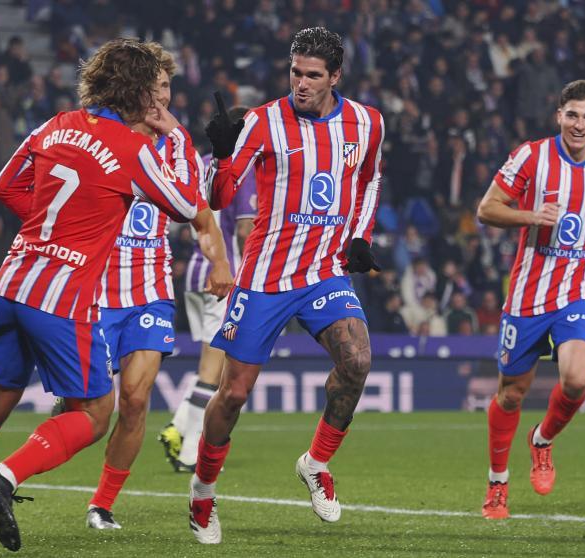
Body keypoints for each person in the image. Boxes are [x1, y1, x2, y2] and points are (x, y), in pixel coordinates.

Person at [0, 38, 201, 553]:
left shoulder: (54, 124)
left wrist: (51, 229)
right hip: (62, 297)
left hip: (13, 280)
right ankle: (5, 477)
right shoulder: (133, 148)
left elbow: (5, 186)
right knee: (96, 412)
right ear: (138, 93)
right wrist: (175, 134)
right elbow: (185, 205)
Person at [188, 27, 384, 544]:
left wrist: (360, 234)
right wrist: (224, 154)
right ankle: (203, 492)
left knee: (358, 361)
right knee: (232, 393)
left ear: (335, 76)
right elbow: (220, 196)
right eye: (295, 71)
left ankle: (315, 462)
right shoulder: (263, 121)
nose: (300, 82)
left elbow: (369, 179)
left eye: (312, 75)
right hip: (266, 277)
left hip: (323, 270)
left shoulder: (367, 122)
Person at [80, 44, 232, 530]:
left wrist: (219, 262)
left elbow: (197, 210)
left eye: (166, 86)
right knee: (88, 407)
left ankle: (102, 504)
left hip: (149, 290)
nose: (160, 96)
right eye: (152, 86)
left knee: (137, 400)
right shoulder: (102, 138)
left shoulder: (176, 144)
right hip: (97, 291)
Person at [475, 79, 585, 519]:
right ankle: (497, 483)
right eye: (572, 115)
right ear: (558, 116)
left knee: (576, 379)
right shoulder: (531, 156)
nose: (578, 125)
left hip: (580, 289)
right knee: (511, 394)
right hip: (528, 293)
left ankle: (542, 440)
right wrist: (529, 215)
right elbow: (487, 208)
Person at [158, 106, 257, 474]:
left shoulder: (199, 163)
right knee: (214, 371)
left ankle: (179, 427)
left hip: (196, 274)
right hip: (224, 275)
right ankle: (187, 450)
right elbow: (246, 230)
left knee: (211, 365)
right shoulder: (241, 167)